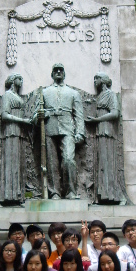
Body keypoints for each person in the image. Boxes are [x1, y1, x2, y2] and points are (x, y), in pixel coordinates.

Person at [40, 63, 85, 199]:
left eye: (61, 70)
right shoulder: (44, 92)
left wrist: (80, 132)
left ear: (64, 74)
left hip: (68, 129)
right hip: (49, 128)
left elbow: (78, 115)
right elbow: (36, 114)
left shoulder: (73, 93)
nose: (58, 72)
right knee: (51, 162)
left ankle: (71, 191)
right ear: (52, 74)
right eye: (56, 70)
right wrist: (41, 115)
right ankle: (54, 192)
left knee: (68, 160)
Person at [85, 72, 123, 203]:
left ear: (104, 80)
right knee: (101, 162)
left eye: (97, 78)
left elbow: (115, 113)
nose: (94, 81)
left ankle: (111, 194)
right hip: (99, 132)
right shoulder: (100, 95)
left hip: (107, 131)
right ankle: (101, 194)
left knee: (107, 162)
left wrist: (97, 119)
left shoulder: (111, 94)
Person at [0, 73, 32, 205]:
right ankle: (9, 197)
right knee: (11, 163)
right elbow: (4, 115)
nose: (22, 81)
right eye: (20, 78)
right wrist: (22, 120)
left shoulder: (17, 96)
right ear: (13, 81)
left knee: (18, 163)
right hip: (11, 131)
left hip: (19, 133)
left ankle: (18, 195)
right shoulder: (8, 95)